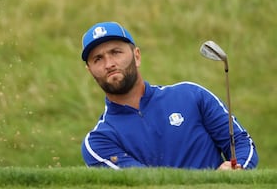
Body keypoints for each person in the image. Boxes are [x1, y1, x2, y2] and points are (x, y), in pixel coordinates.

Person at [80, 21, 258, 170]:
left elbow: (241, 143)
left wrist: (238, 169)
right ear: (90, 70)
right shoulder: (99, 141)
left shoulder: (191, 95)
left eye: (115, 52)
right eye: (98, 59)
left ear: (137, 56)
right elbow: (146, 184)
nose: (109, 63)